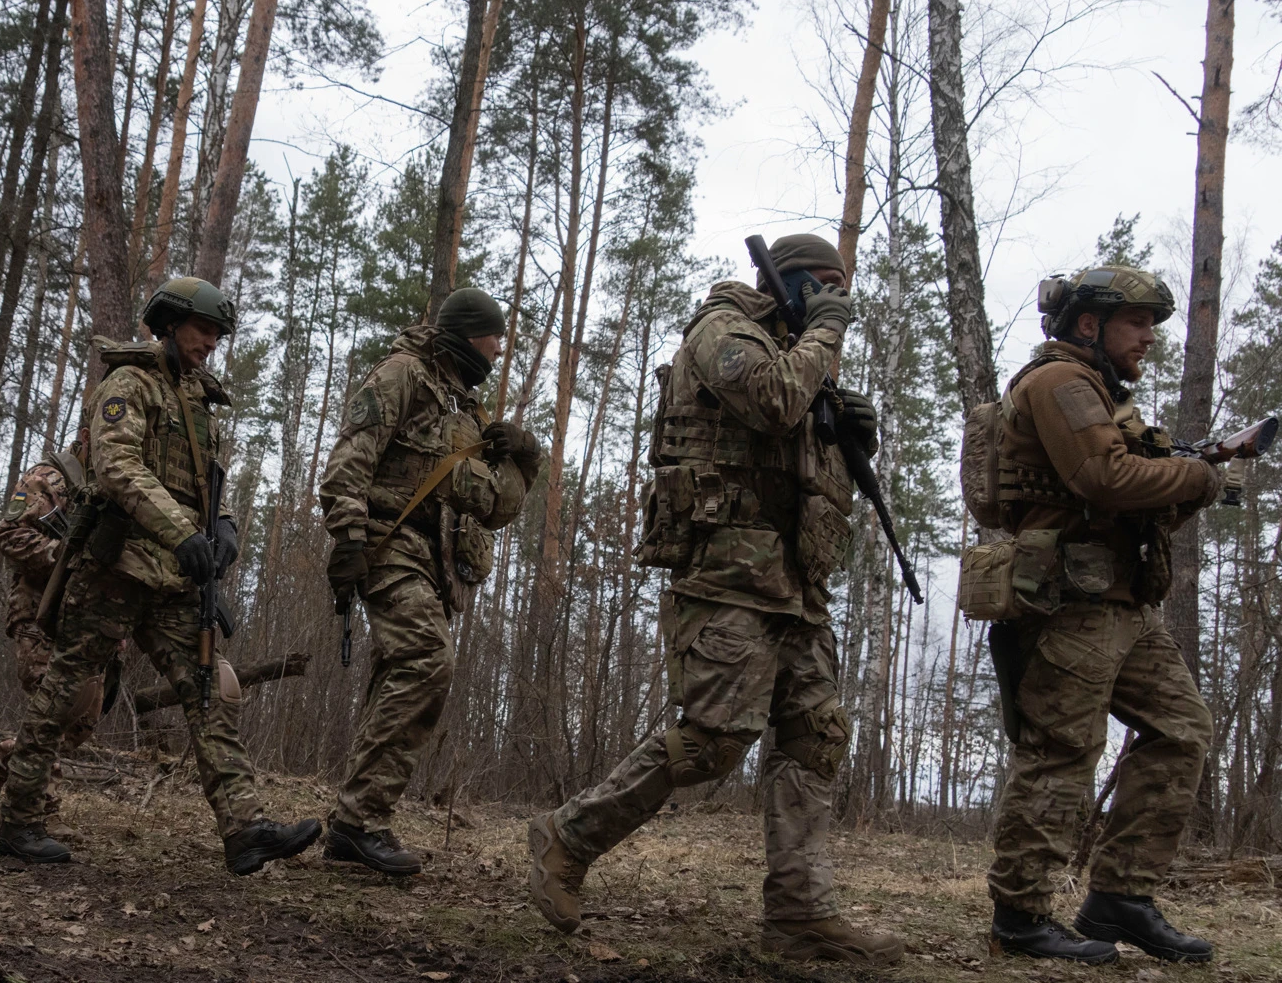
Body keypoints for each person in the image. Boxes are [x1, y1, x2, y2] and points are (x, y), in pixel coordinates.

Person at [526, 233, 903, 966]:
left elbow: (801, 462)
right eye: (823, 285)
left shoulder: (805, 359)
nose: (836, 298)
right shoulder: (724, 331)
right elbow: (769, 401)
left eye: (841, 287)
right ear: (788, 283)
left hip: (796, 587)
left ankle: (800, 915)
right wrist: (826, 334)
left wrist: (852, 435)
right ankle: (568, 836)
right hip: (729, 576)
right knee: (714, 742)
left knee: (816, 738)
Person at [0, 277, 320, 876]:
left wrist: (223, 530)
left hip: (172, 579)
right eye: (203, 330)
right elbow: (118, 466)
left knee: (206, 694)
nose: (212, 344)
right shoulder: (127, 384)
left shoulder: (199, 401)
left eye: (219, 334)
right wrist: (183, 533)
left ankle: (244, 829)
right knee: (67, 689)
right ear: (168, 324)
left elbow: (208, 485)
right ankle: (18, 819)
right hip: (114, 567)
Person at [978, 266, 1220, 964]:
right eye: (1138, 322)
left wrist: (1188, 470)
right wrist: (1200, 474)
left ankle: (1121, 898)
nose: (1149, 337)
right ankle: (1020, 917)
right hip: (1067, 606)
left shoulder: (1104, 394)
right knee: (1060, 753)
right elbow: (1104, 479)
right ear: (1090, 324)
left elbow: (1129, 482)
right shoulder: (1059, 383)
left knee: (1182, 730)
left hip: (1122, 602)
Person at [317, 288, 539, 875]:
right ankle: (358, 822)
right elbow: (348, 463)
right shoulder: (401, 376)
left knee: (406, 671)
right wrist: (348, 539)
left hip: (436, 563)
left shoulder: (467, 411)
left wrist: (524, 459)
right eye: (493, 336)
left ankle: (352, 827)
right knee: (425, 658)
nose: (498, 348)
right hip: (387, 545)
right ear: (468, 334)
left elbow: (496, 509)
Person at [0, 438, 114, 829]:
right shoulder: (48, 478)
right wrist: (71, 556)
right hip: (40, 615)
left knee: (81, 719)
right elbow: (9, 536)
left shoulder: (115, 489)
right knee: (55, 709)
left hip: (87, 623)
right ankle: (40, 813)